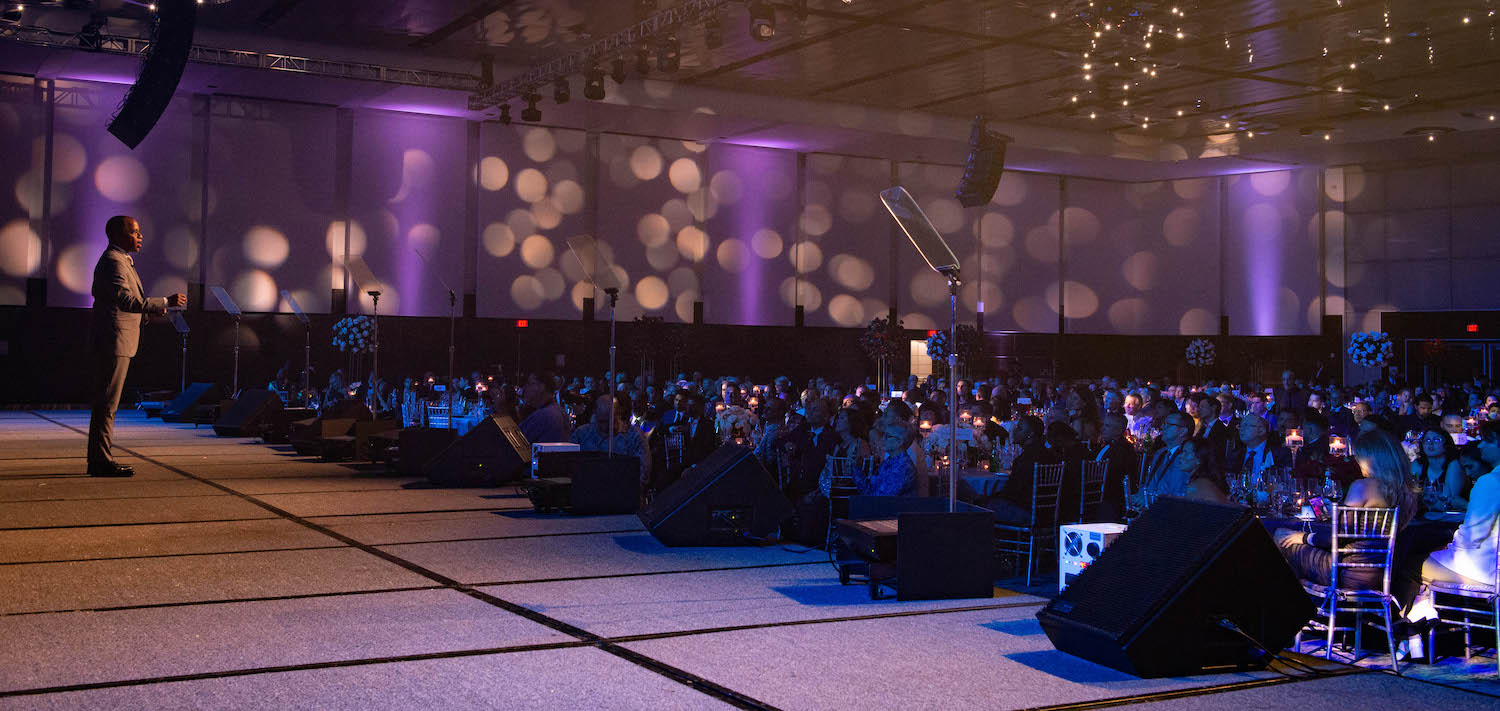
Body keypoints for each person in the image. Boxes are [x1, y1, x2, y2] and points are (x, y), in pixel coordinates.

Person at [87, 216, 187, 477]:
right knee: (107, 404)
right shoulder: (113, 261)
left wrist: (148, 313)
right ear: (119, 235)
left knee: (107, 403)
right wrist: (165, 301)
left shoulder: (120, 260)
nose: (140, 236)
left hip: (118, 339)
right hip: (114, 340)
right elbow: (125, 300)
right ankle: (100, 461)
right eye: (135, 232)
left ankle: (99, 458)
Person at [1275, 429, 1417, 588]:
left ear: (1370, 459)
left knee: (1281, 536)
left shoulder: (1363, 487)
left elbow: (1336, 536)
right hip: (1380, 573)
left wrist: (1303, 537)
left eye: (1359, 458)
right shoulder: (1407, 491)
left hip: (1345, 571)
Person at [982, 416, 1060, 525]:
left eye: (1019, 428)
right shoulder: (1049, 455)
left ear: (1030, 434)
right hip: (1047, 512)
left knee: (980, 508)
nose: (1014, 431)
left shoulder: (1026, 459)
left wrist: (986, 498)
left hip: (1026, 512)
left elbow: (1012, 492)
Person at [571, 393, 652, 489]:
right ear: (595, 415)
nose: (605, 426)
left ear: (618, 414)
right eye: (601, 421)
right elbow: (569, 465)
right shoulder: (582, 434)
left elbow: (643, 474)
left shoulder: (635, 436)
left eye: (609, 421)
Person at [1134, 411, 1199, 505]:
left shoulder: (1187, 458)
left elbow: (1179, 493)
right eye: (1164, 424)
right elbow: (1150, 483)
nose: (1163, 427)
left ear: (1183, 431)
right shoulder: (1160, 453)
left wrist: (1149, 500)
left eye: (1169, 424)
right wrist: (1139, 496)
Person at [1412, 427, 1468, 513]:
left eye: (1437, 440)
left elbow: (1451, 500)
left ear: (1446, 444)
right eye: (1427, 440)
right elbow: (1410, 494)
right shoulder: (1418, 464)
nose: (1430, 443)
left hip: (1450, 517)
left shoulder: (1453, 465)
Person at [1230, 413, 1292, 478]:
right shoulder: (1236, 454)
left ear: (1262, 430)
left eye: (1246, 426)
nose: (1242, 429)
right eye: (1241, 426)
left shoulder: (1278, 454)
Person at [519, 370, 572, 444]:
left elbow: (517, 441)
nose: (525, 389)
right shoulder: (558, 411)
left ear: (541, 387)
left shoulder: (545, 415)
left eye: (529, 384)